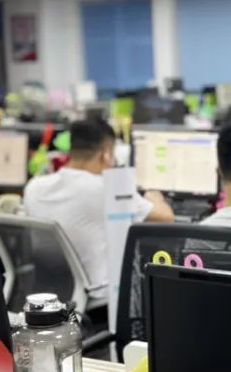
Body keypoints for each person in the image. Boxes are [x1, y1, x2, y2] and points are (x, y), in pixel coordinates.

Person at [24, 119, 173, 303]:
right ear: (107, 154)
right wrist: (154, 197)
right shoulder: (107, 188)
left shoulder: (34, 187)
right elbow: (166, 217)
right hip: (98, 301)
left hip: (51, 300)